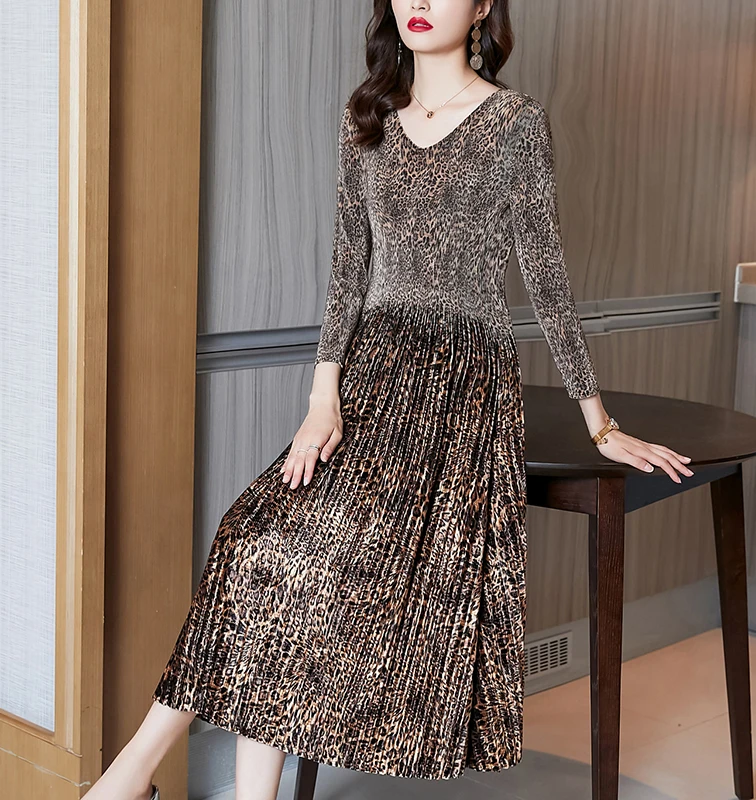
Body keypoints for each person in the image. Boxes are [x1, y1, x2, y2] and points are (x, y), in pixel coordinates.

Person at [85, 2, 693, 798]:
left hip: (461, 384)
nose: (419, 2)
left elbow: (546, 278)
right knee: (255, 546)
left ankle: (126, 781)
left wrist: (600, 422)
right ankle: (139, 776)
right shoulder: (366, 117)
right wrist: (322, 398)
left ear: (484, 6)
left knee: (304, 567)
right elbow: (348, 269)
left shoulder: (516, 123)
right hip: (372, 371)